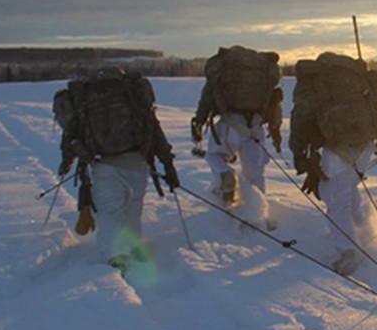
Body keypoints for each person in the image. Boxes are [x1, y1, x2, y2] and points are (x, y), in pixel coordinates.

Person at [53, 66, 179, 275]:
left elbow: (71, 134)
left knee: (110, 211)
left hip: (104, 163)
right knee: (133, 207)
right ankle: (134, 246)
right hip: (137, 161)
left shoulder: (85, 98)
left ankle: (115, 255)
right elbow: (154, 130)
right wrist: (168, 164)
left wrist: (67, 162)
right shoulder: (132, 96)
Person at [290, 52, 377, 275]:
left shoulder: (313, 81)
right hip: (365, 144)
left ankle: (348, 251)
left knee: (335, 199)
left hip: (334, 147)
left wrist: (297, 151)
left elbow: (301, 116)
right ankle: (362, 229)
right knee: (347, 188)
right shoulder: (356, 76)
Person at [190, 46, 283, 213]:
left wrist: (199, 122)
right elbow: (274, 102)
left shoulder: (223, 72)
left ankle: (225, 174)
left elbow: (206, 99)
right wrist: (275, 128)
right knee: (254, 172)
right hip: (255, 125)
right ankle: (257, 212)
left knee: (214, 155)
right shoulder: (263, 73)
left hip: (230, 123)